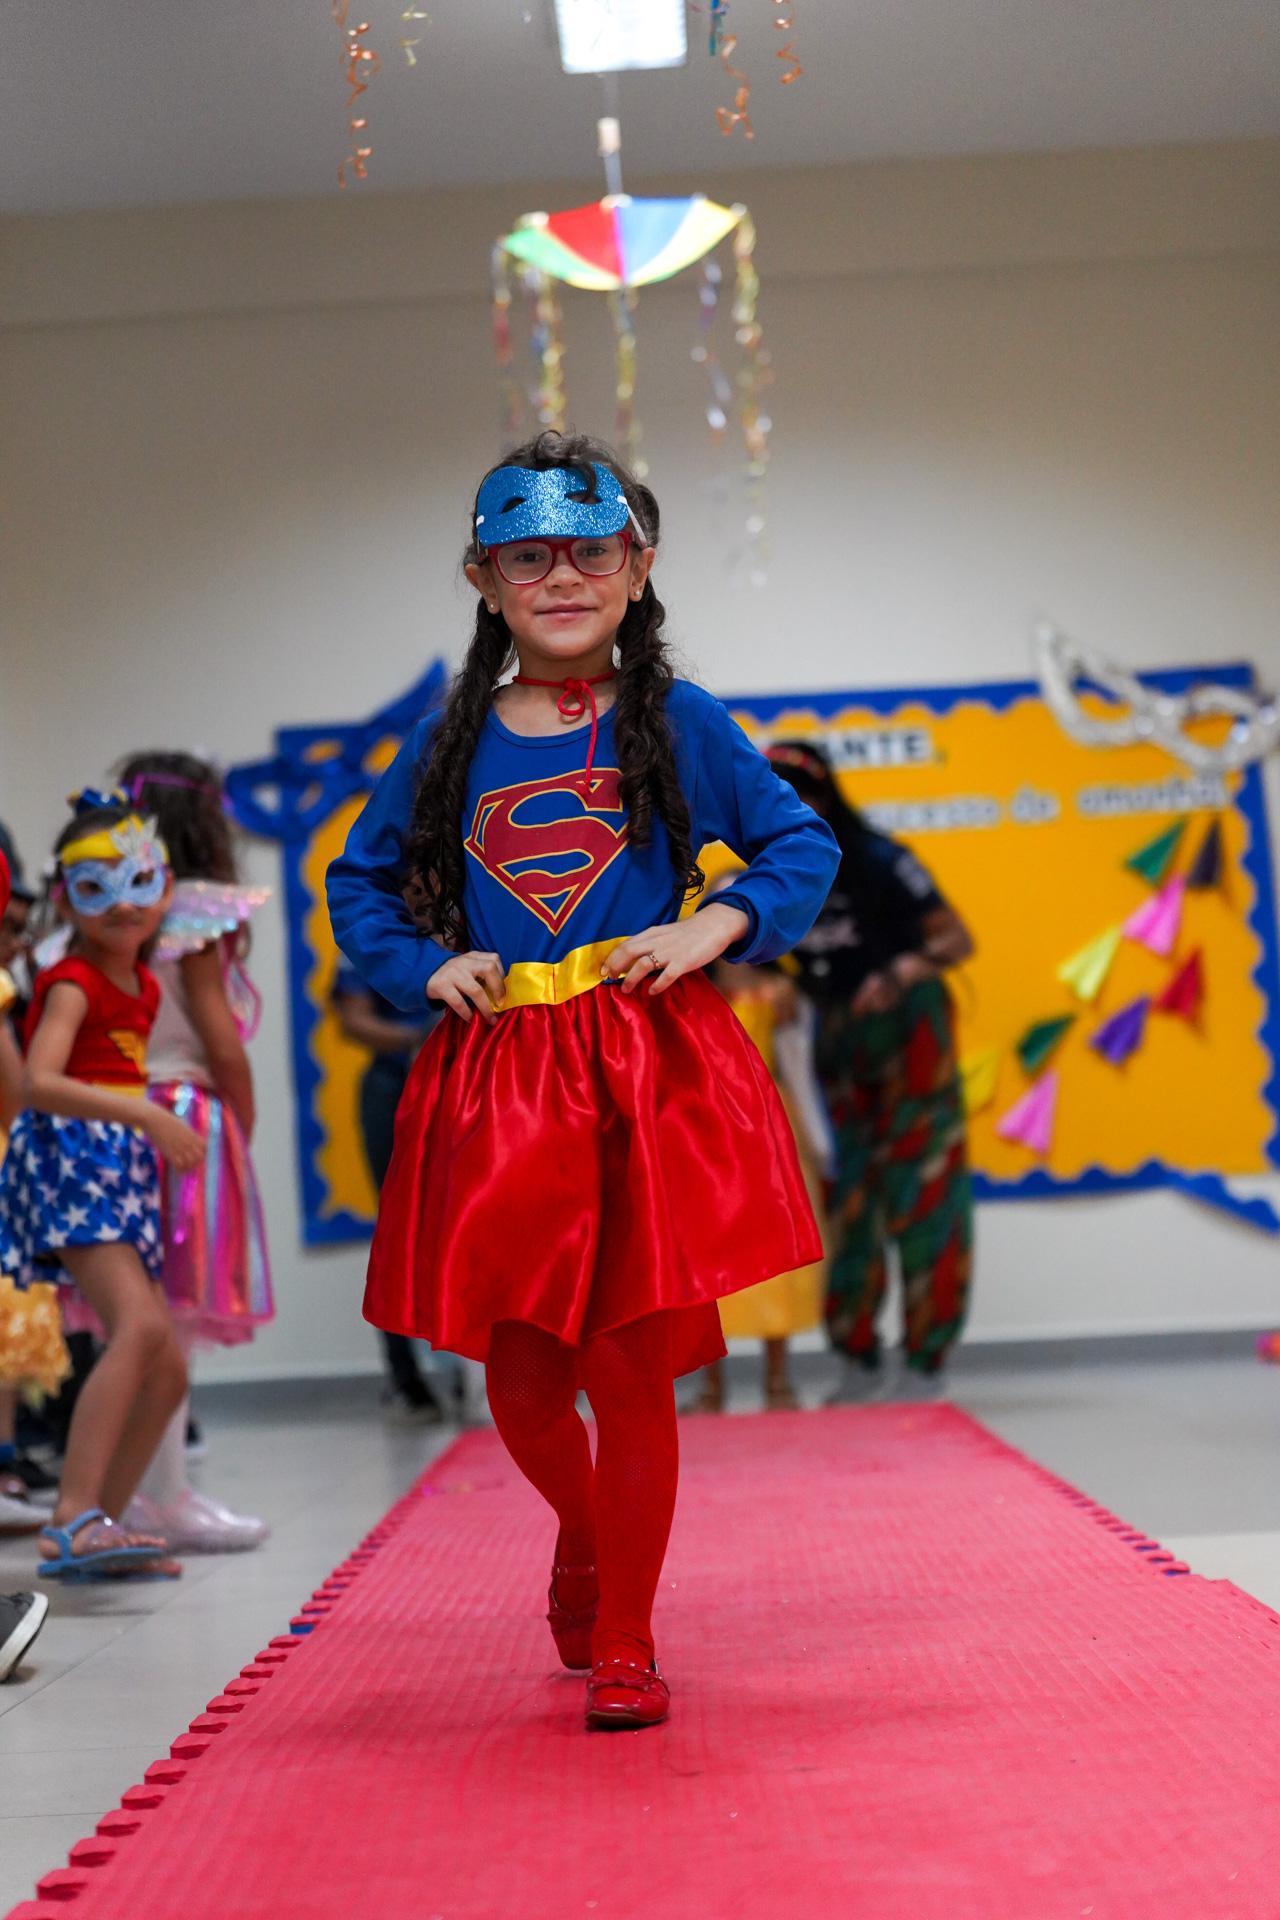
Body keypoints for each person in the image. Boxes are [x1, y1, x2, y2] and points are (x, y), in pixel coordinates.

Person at [327, 431, 839, 1731]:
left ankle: (626, 1636)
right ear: (482, 578)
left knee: (624, 1366)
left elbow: (796, 843)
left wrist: (713, 926)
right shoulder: (446, 744)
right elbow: (359, 882)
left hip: (639, 1074)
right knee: (519, 1380)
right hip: (501, 1084)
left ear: (638, 567)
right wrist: (422, 966)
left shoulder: (677, 721)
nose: (561, 577)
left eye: (590, 552)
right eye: (527, 557)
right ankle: (584, 1531)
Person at [0, 790, 203, 1577]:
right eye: (97, 886)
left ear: (163, 886)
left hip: (113, 1169)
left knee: (168, 1365)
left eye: (139, 880)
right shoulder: (73, 980)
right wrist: (147, 1114)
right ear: (66, 899)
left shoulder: (144, 985)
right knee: (141, 1330)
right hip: (72, 1165)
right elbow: (41, 1083)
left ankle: (100, 1525)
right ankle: (71, 1516)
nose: (123, 903)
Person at [767, 740, 975, 1402]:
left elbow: (956, 938)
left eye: (805, 792)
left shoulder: (883, 858)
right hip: (833, 1044)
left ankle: (925, 1362)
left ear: (828, 797)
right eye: (780, 793)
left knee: (924, 1191)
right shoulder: (768, 875)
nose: (796, 805)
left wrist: (905, 969)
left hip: (908, 1036)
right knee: (847, 1199)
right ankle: (857, 1357)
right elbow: (748, 969)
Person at [110, 752, 274, 1552]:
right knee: (174, 1319)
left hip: (116, 1116)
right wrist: (242, 1122)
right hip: (183, 1117)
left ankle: (139, 1491)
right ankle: (164, 1494)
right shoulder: (197, 919)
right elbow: (220, 1041)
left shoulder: (110, 916)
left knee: (134, 1323)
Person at [695, 879, 830, 1412]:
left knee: (778, 1246)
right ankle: (711, 1385)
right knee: (706, 1253)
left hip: (770, 1129)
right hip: (706, 1132)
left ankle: (778, 1380)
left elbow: (798, 1065)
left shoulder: (780, 994)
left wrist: (817, 1142)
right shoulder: (690, 995)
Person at [331, 962, 451, 1422]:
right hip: (396, 1084)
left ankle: (499, 1370)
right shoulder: (374, 931)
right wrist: (421, 1038)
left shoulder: (477, 928)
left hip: (468, 1076)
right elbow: (353, 1019)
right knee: (398, 1233)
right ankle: (406, 1379)